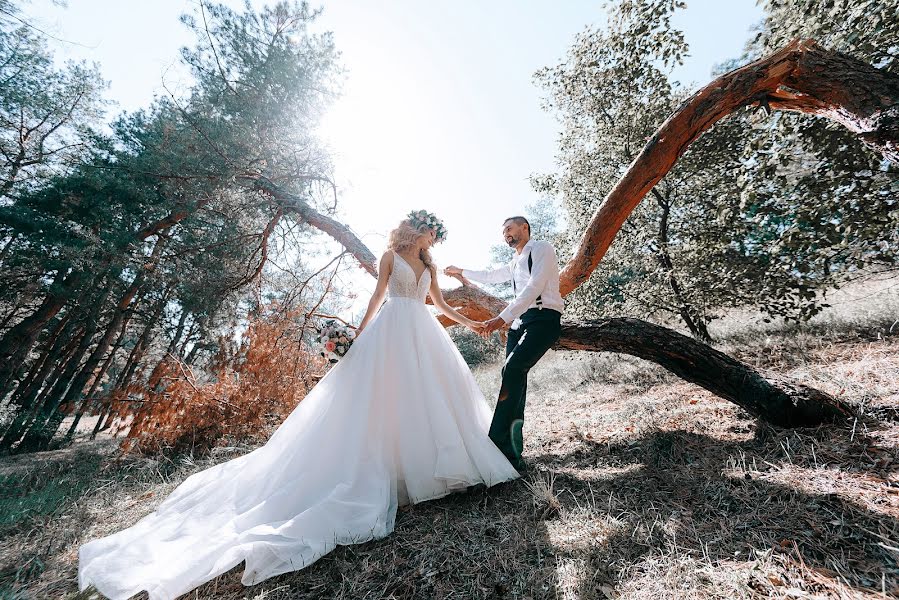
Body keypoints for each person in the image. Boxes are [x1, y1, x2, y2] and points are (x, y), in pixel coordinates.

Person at [78, 210, 519, 600]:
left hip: (423, 332)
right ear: (418, 231)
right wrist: (357, 336)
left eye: (435, 237)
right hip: (391, 330)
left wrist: (473, 324)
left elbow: (438, 303)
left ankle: (433, 465)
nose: (433, 240)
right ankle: (395, 471)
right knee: (384, 399)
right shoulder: (390, 258)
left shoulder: (429, 264)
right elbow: (377, 296)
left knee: (431, 396)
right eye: (431, 233)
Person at [444, 216, 564, 472]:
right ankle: (513, 452)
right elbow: (489, 276)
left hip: (544, 318)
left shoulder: (542, 249)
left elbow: (534, 287)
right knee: (513, 378)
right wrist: (461, 271)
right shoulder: (514, 262)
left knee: (512, 370)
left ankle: (497, 444)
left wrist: (501, 318)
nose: (506, 235)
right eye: (503, 232)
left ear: (524, 228)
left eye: (509, 229)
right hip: (520, 323)